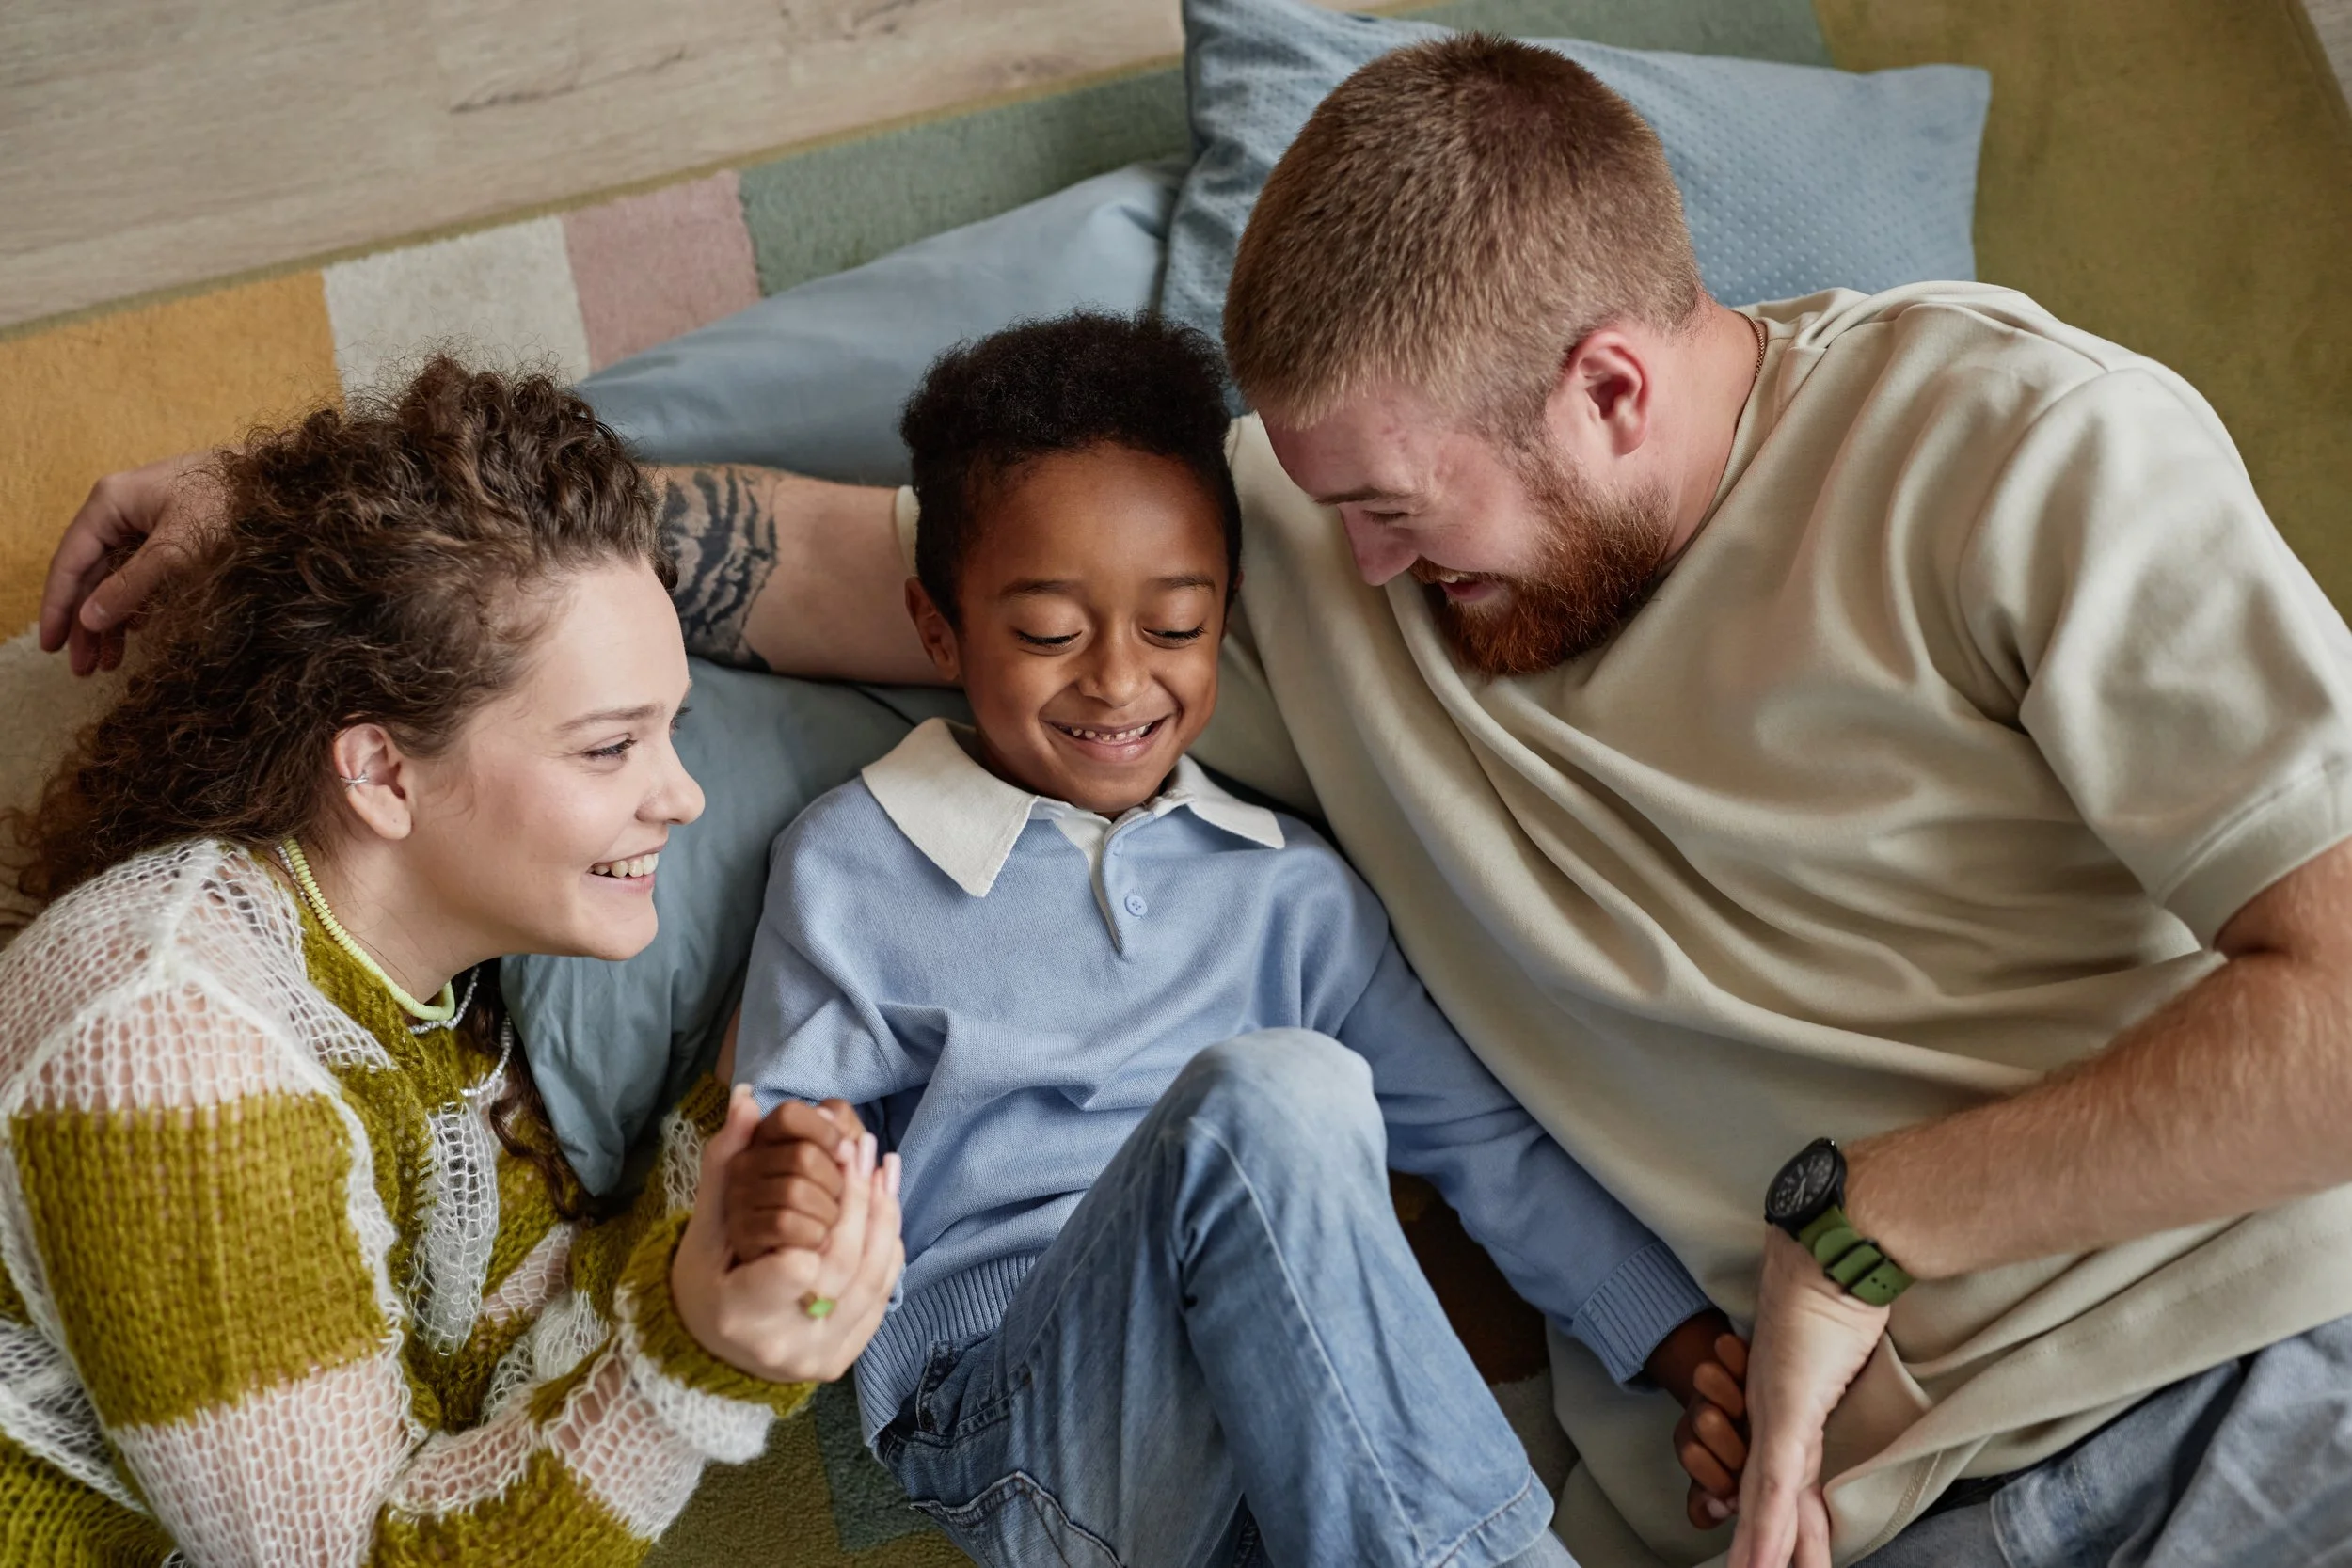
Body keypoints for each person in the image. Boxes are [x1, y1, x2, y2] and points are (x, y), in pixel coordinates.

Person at [45, 34, 2352, 1568]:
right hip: (1815, 1515)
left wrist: (1860, 1236)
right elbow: (865, 565)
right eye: (1303, 515)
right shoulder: (1316, 592)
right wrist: (301, 532)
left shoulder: (2021, 456)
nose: (1312, 587)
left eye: (1378, 515)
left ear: (1611, 387)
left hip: (2239, 1391)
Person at [717, 311, 1750, 1568]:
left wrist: (1684, 1343)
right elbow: (772, 1144)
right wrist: (783, 1194)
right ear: (939, 632)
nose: (1116, 680)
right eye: (1048, 632)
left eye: (1174, 626)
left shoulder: (1290, 890)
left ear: (1229, 613)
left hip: (1296, 1438)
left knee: (1292, 1113)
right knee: (1271, 1094)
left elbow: (1487, 1147)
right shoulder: (854, 864)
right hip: (1025, 1432)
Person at [1, 360, 902, 1565]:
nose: (681, 795)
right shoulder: (166, 1039)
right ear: (378, 771)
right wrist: (696, 1358)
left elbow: (511, 1363)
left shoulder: (441, 994)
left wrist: (735, 1165)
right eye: (607, 748)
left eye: (668, 729)